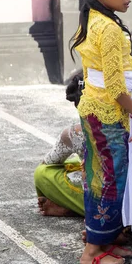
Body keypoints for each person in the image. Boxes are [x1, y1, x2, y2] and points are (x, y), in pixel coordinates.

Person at [71, 0, 132, 264]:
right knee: (108, 180)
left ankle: (105, 238)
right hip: (108, 111)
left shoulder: (93, 16)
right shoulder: (108, 28)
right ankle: (92, 251)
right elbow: (117, 86)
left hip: (94, 105)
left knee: (100, 176)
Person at [35, 71, 85, 217]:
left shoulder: (75, 133)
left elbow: (47, 164)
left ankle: (71, 207)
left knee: (42, 173)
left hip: (107, 194)